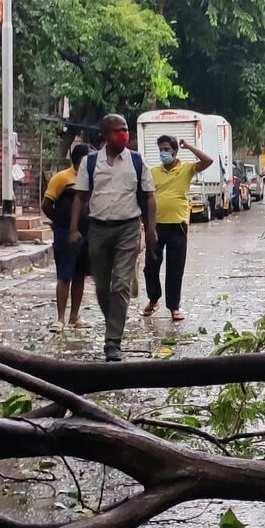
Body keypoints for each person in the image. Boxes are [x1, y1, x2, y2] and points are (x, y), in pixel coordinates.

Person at [68, 114, 157, 361]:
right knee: (102, 288)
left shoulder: (138, 162)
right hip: (98, 229)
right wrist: (73, 229)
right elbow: (80, 197)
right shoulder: (90, 162)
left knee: (120, 284)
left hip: (128, 228)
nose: (124, 135)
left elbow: (149, 196)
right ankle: (114, 323)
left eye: (126, 130)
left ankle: (112, 342)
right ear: (105, 135)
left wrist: (151, 230)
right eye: (119, 131)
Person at [144, 134, 209, 323]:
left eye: (167, 149)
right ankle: (153, 300)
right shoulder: (152, 172)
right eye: (161, 150)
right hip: (155, 225)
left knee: (175, 268)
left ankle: (174, 307)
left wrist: (189, 146)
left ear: (174, 150)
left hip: (178, 225)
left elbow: (208, 160)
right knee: (150, 266)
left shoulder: (186, 169)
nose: (163, 153)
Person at [43, 141, 91, 328]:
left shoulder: (92, 178)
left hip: (87, 231)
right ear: (80, 161)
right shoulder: (62, 178)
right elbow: (46, 204)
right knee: (64, 275)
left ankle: (75, 317)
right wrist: (60, 223)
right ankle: (60, 318)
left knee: (80, 275)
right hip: (65, 232)